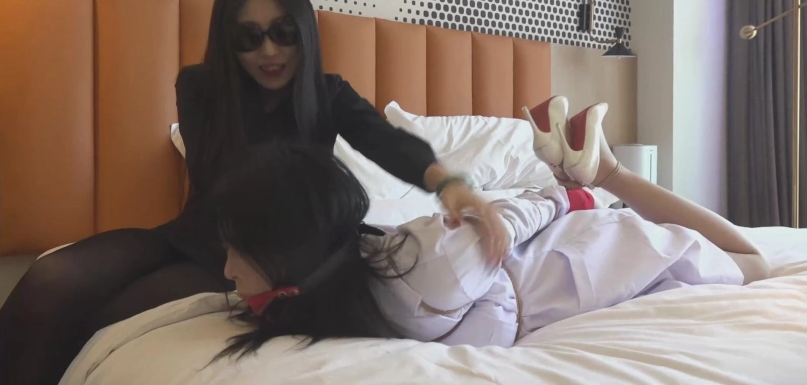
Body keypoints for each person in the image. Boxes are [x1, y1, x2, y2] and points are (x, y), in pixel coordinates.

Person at [0, 0, 506, 385]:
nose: (269, 51)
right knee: (52, 278)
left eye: (284, 33)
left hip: (269, 252)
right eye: (249, 36)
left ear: (304, 32)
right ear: (227, 41)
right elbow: (219, 179)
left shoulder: (328, 93)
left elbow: (387, 141)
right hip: (200, 232)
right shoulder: (201, 88)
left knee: (109, 316)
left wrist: (451, 185)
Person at [210, 96, 770, 358]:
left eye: (237, 250)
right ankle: (595, 174)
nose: (227, 269)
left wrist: (569, 195)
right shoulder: (344, 286)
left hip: (576, 258)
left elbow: (499, 220)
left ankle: (606, 171)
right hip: (555, 265)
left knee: (754, 264)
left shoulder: (422, 267)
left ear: (289, 245)